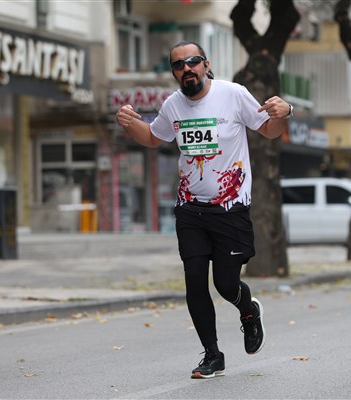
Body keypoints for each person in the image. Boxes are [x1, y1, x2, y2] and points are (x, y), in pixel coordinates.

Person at [116, 41, 293, 378]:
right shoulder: (173, 104)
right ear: (174, 72)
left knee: (226, 285)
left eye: (193, 61)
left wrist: (284, 113)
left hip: (230, 208)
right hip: (190, 210)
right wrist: (128, 122)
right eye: (178, 65)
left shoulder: (233, 94)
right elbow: (153, 137)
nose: (187, 69)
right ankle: (213, 355)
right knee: (195, 283)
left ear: (206, 64)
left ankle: (249, 311)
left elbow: (268, 130)